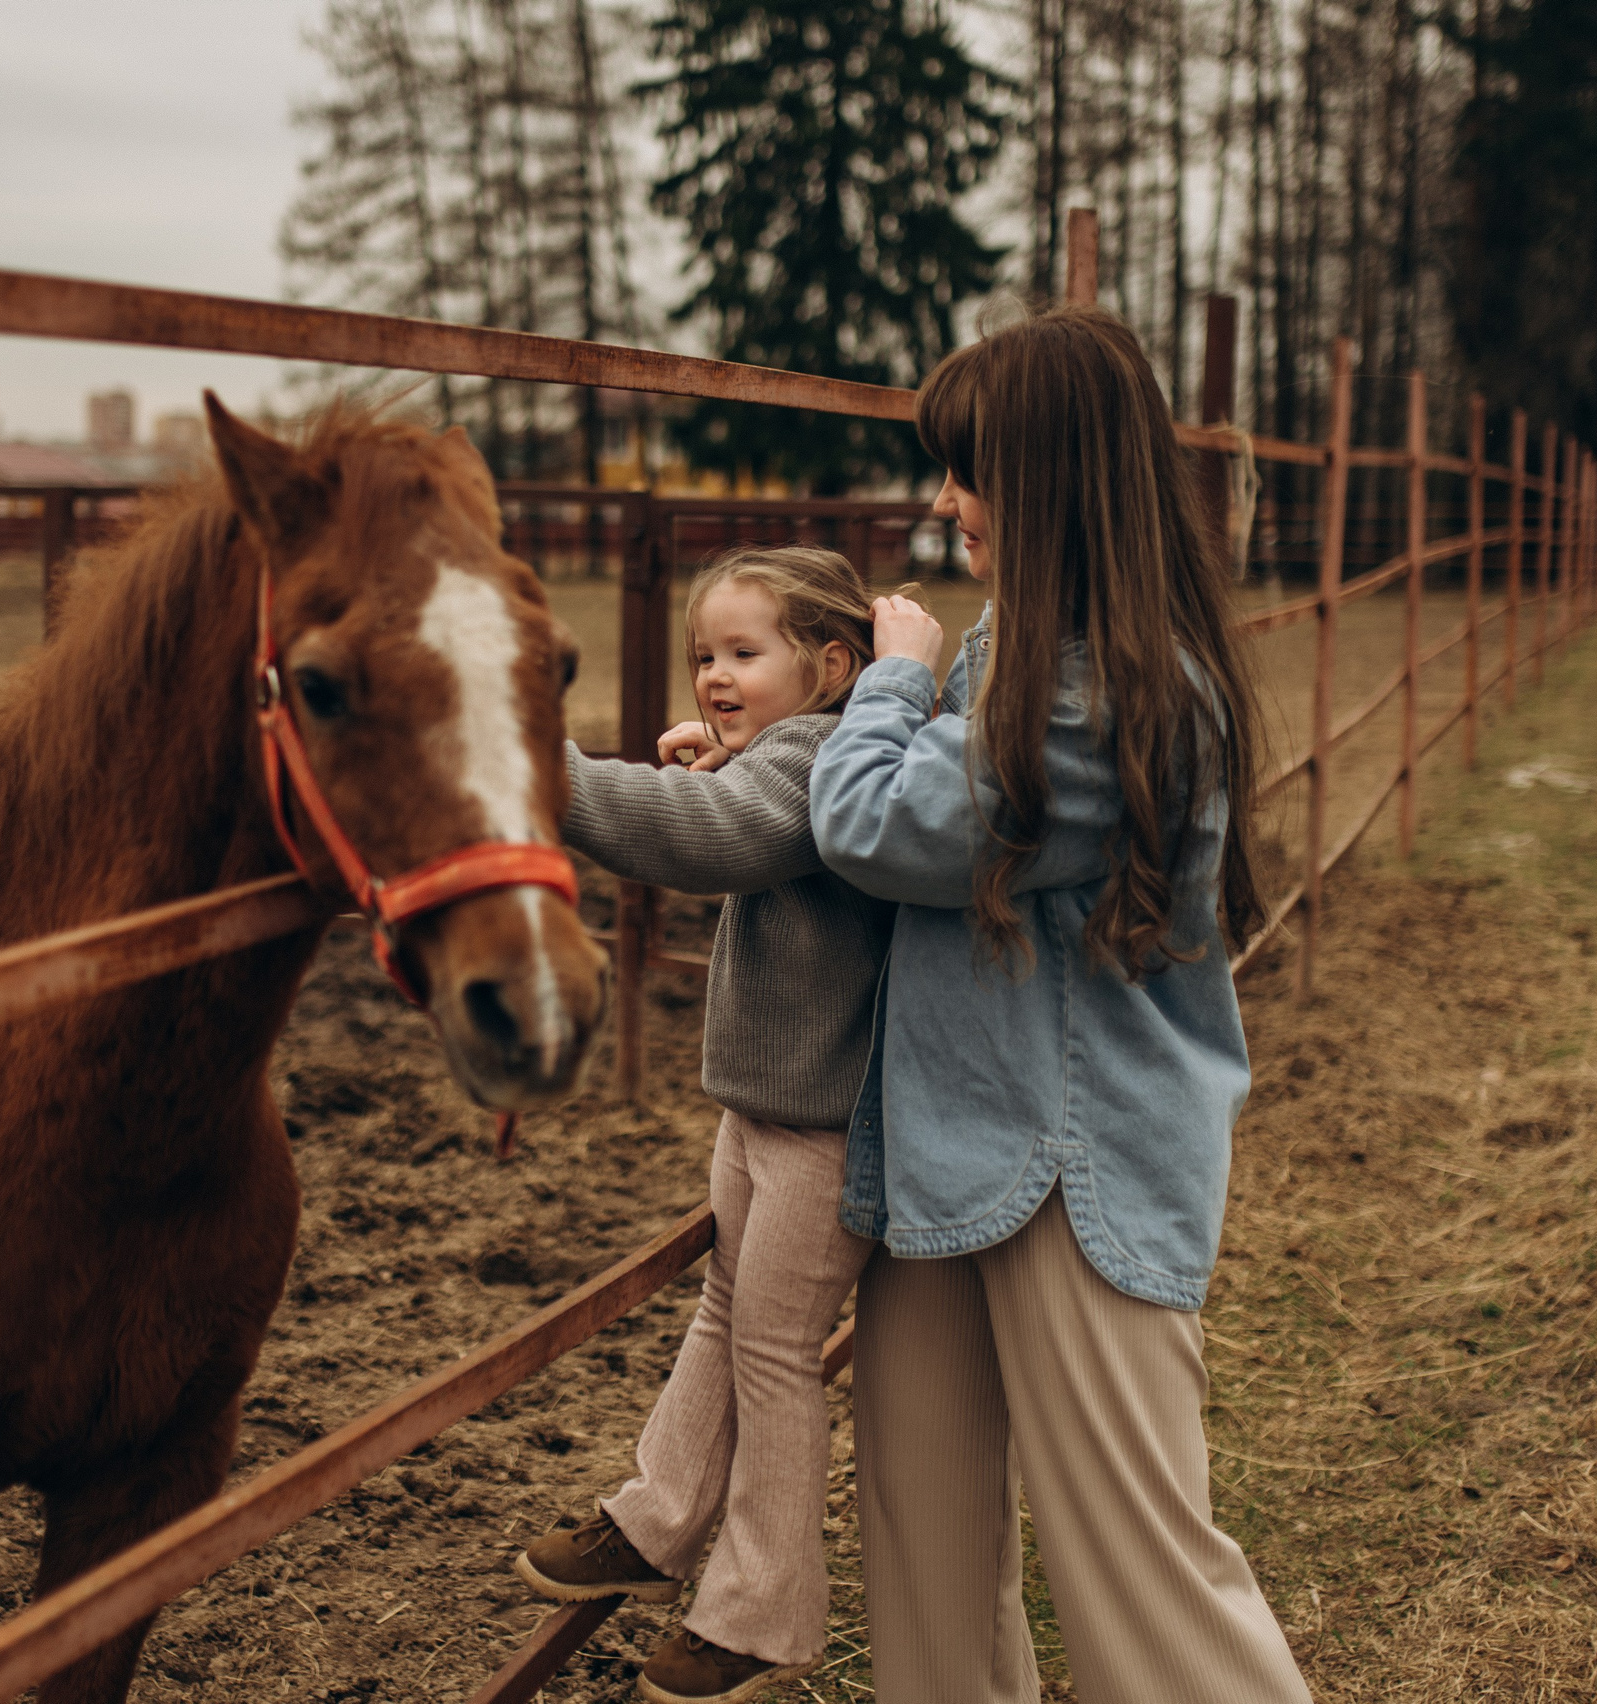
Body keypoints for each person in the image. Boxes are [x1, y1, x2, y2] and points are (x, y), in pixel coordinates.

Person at [809, 304, 1313, 1704]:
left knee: (1147, 1589)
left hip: (1075, 1176)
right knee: (927, 1577)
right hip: (943, 1149)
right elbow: (886, 789)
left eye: (969, 471)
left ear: (1051, 476)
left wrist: (892, 678)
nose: (946, 503)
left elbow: (874, 825)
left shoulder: (1122, 701)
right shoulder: (1016, 656)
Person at [512, 545, 894, 1704]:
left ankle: (762, 1612)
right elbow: (733, 807)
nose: (714, 676)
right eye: (702, 657)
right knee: (726, 1311)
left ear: (830, 665)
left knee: (775, 1356)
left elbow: (712, 838)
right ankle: (658, 1518)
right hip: (770, 1105)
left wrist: (544, 775)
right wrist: (727, 757)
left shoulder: (826, 755)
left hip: (825, 1130)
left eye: (743, 653)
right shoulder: (796, 749)